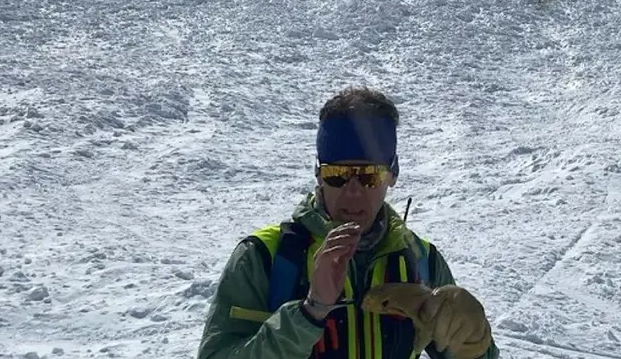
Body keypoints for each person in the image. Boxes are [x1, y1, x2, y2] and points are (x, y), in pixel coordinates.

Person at [195, 88, 498, 359]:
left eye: (370, 176)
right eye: (337, 174)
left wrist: (473, 341)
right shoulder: (265, 257)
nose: (353, 192)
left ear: (392, 175)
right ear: (318, 174)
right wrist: (309, 312)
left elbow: (468, 350)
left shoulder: (421, 262)